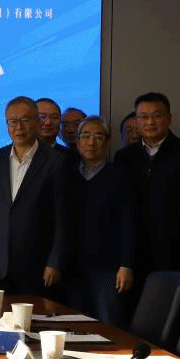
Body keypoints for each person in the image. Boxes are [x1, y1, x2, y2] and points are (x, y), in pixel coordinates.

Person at [114, 92, 180, 288]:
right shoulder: (124, 157)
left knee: (174, 303)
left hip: (177, 251)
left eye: (157, 115)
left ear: (169, 119)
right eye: (143, 116)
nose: (150, 122)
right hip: (135, 253)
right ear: (137, 121)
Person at [0, 96, 67, 297]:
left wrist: (55, 262)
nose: (19, 127)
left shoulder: (56, 162)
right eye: (12, 122)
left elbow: (63, 218)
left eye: (25, 120)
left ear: (37, 122)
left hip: (38, 264)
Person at [65, 116, 135, 326]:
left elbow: (129, 223)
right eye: (85, 136)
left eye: (98, 136)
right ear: (77, 141)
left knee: (108, 324)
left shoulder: (120, 176)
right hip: (72, 266)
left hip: (108, 267)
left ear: (107, 142)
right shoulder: (67, 175)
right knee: (75, 324)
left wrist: (126, 265)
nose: (91, 142)